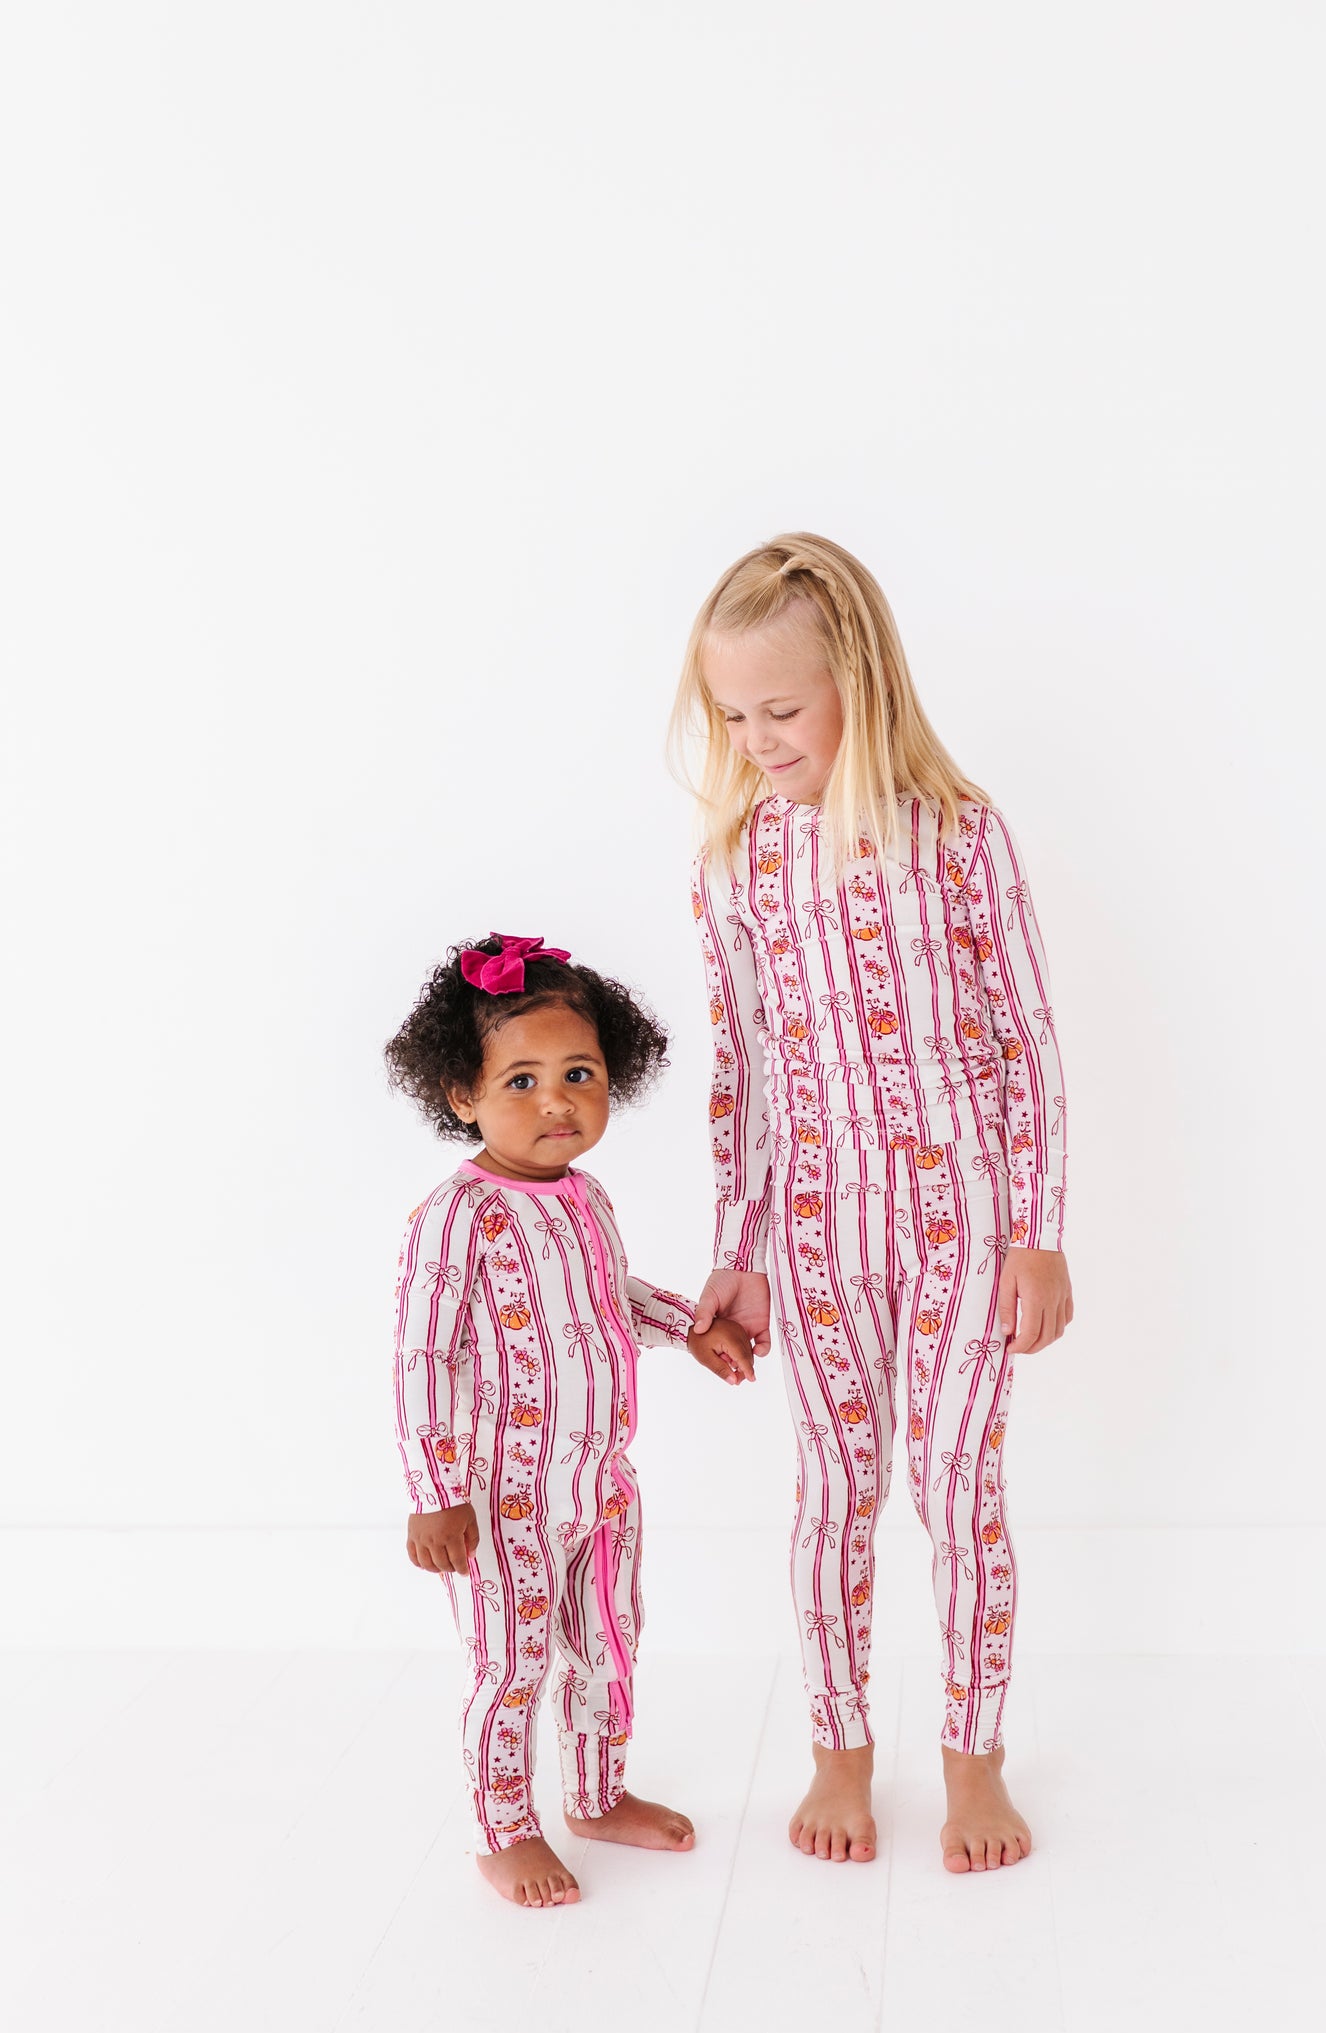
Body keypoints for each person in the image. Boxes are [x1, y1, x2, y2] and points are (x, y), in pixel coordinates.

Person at [678, 536, 1074, 1874]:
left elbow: (1025, 1042)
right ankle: (837, 1751)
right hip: (815, 1232)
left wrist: (1039, 1233)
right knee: (833, 1492)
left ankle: (973, 1760)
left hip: (966, 1221)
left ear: (857, 680)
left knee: (959, 1491)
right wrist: (738, 1249)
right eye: (733, 715)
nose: (756, 740)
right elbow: (742, 1068)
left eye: (781, 709)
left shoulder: (959, 835)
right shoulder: (734, 859)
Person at [384, 932, 754, 1907]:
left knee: (608, 1641)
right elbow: (423, 1360)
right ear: (460, 1094)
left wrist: (691, 1327)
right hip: (500, 1503)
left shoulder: (585, 1196)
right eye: (522, 1081)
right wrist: (435, 1495)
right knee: (511, 1666)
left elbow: (607, 1295)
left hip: (601, 1484)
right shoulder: (456, 1217)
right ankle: (503, 1826)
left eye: (578, 1074)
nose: (556, 1102)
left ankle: (595, 1794)